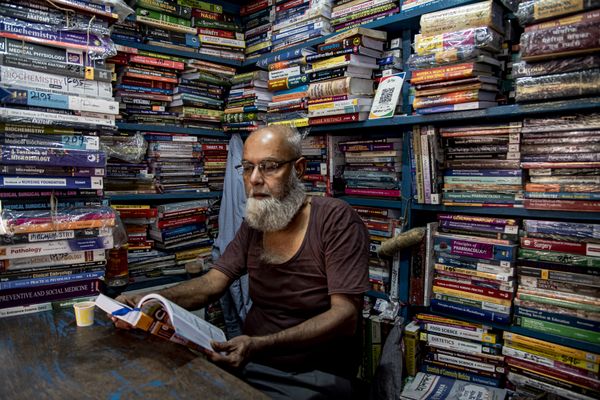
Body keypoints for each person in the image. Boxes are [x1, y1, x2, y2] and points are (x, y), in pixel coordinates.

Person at [112, 126, 370, 399]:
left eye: (269, 167)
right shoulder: (256, 223)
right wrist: (150, 300)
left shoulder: (335, 220)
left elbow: (345, 316)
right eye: (247, 168)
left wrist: (258, 345)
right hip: (251, 361)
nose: (255, 179)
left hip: (315, 374)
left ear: (299, 169)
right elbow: (213, 282)